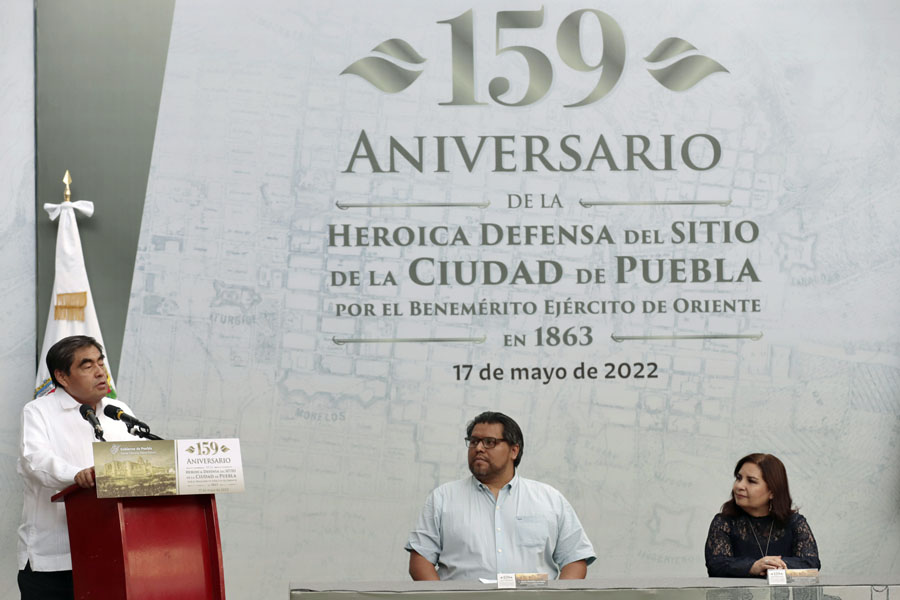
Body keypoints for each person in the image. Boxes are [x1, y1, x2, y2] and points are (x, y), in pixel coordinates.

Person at [17, 335, 144, 600]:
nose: (100, 372)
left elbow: (140, 460)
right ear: (62, 377)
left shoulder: (117, 411)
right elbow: (35, 460)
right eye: (87, 366)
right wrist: (75, 476)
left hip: (114, 555)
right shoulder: (39, 411)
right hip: (54, 561)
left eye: (101, 362)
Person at [405, 411, 595, 580]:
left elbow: (575, 559)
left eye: (489, 442)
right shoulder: (443, 498)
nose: (479, 448)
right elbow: (420, 560)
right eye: (473, 442)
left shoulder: (549, 499)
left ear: (514, 450)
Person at [705, 453, 820, 577]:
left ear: (772, 492)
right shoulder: (724, 522)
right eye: (738, 478)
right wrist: (752, 567)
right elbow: (716, 565)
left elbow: (811, 563)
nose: (739, 486)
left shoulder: (794, 522)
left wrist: (770, 565)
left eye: (751, 481)